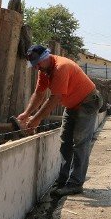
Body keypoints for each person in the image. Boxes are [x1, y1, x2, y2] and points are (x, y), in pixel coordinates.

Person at [17, 44, 104, 197]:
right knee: (65, 141)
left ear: (46, 57)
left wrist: (36, 119)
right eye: (34, 65)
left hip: (88, 101)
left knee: (80, 142)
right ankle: (63, 181)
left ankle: (75, 184)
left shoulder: (61, 67)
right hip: (72, 104)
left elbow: (54, 98)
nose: (36, 67)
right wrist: (26, 114)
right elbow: (39, 94)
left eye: (38, 63)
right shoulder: (44, 71)